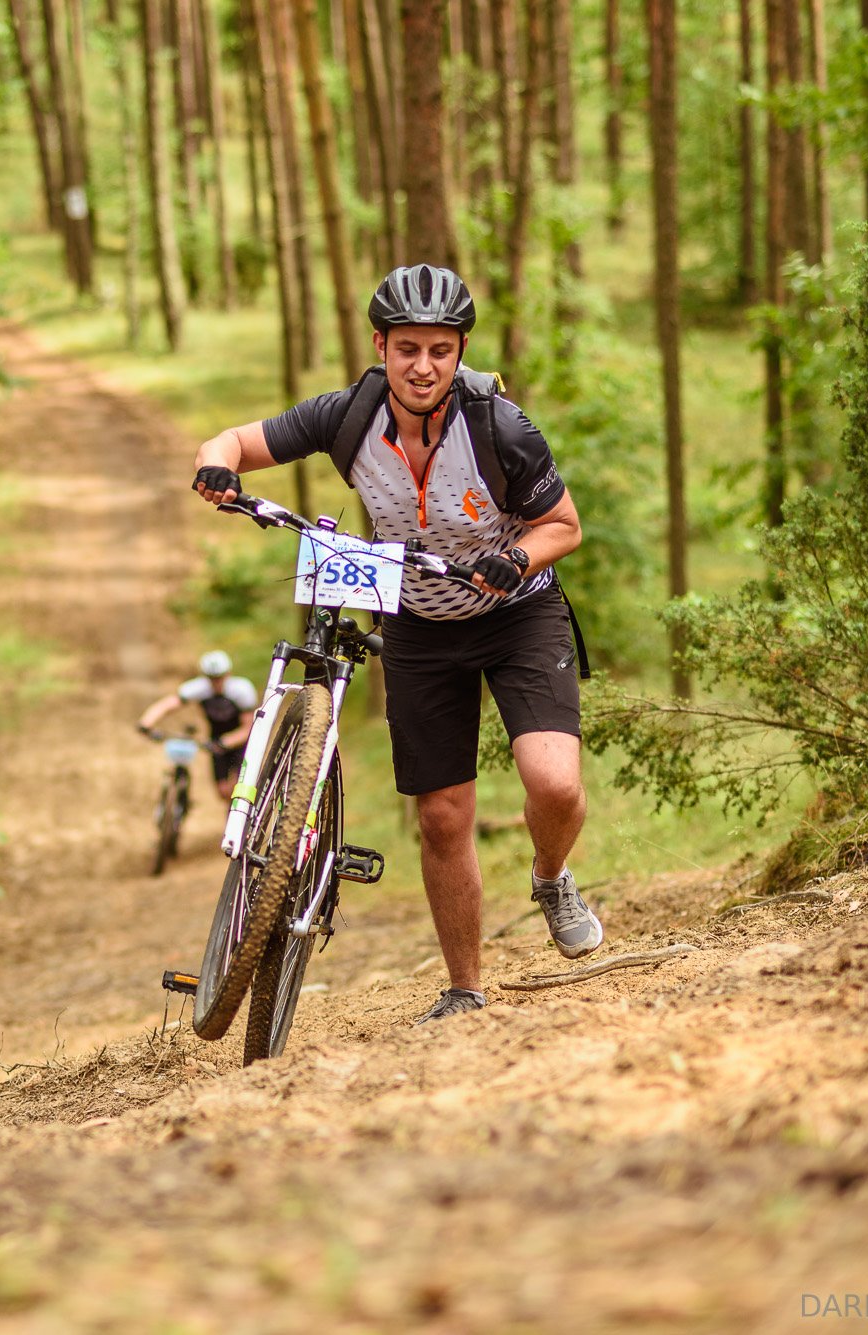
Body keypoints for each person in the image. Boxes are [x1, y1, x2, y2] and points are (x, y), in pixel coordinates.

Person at [188, 263, 601, 1025]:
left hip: (516, 613)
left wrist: (515, 559)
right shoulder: (348, 416)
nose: (422, 366)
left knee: (554, 785)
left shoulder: (500, 427)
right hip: (417, 622)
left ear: (460, 352)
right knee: (442, 815)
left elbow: (564, 526)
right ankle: (465, 988)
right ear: (380, 346)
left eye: (440, 350)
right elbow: (236, 439)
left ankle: (550, 876)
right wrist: (217, 463)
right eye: (407, 348)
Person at [136, 651, 257, 802]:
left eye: (219, 677)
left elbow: (248, 728)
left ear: (228, 674)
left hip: (241, 743)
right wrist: (146, 722)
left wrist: (227, 741)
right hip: (216, 738)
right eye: (211, 678)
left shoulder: (241, 691)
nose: (216, 682)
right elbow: (169, 704)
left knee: (238, 790)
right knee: (223, 792)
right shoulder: (199, 688)